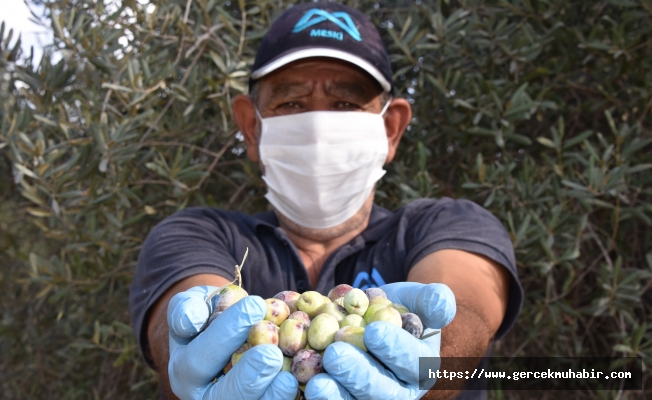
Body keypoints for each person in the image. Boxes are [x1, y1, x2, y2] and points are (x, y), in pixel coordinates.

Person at [129, 2, 523, 399]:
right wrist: (191, 352)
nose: (318, 129)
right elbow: (176, 324)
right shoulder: (194, 234)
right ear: (251, 128)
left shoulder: (449, 224)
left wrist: (437, 360)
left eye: (346, 104)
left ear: (391, 130)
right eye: (291, 103)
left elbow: (467, 308)